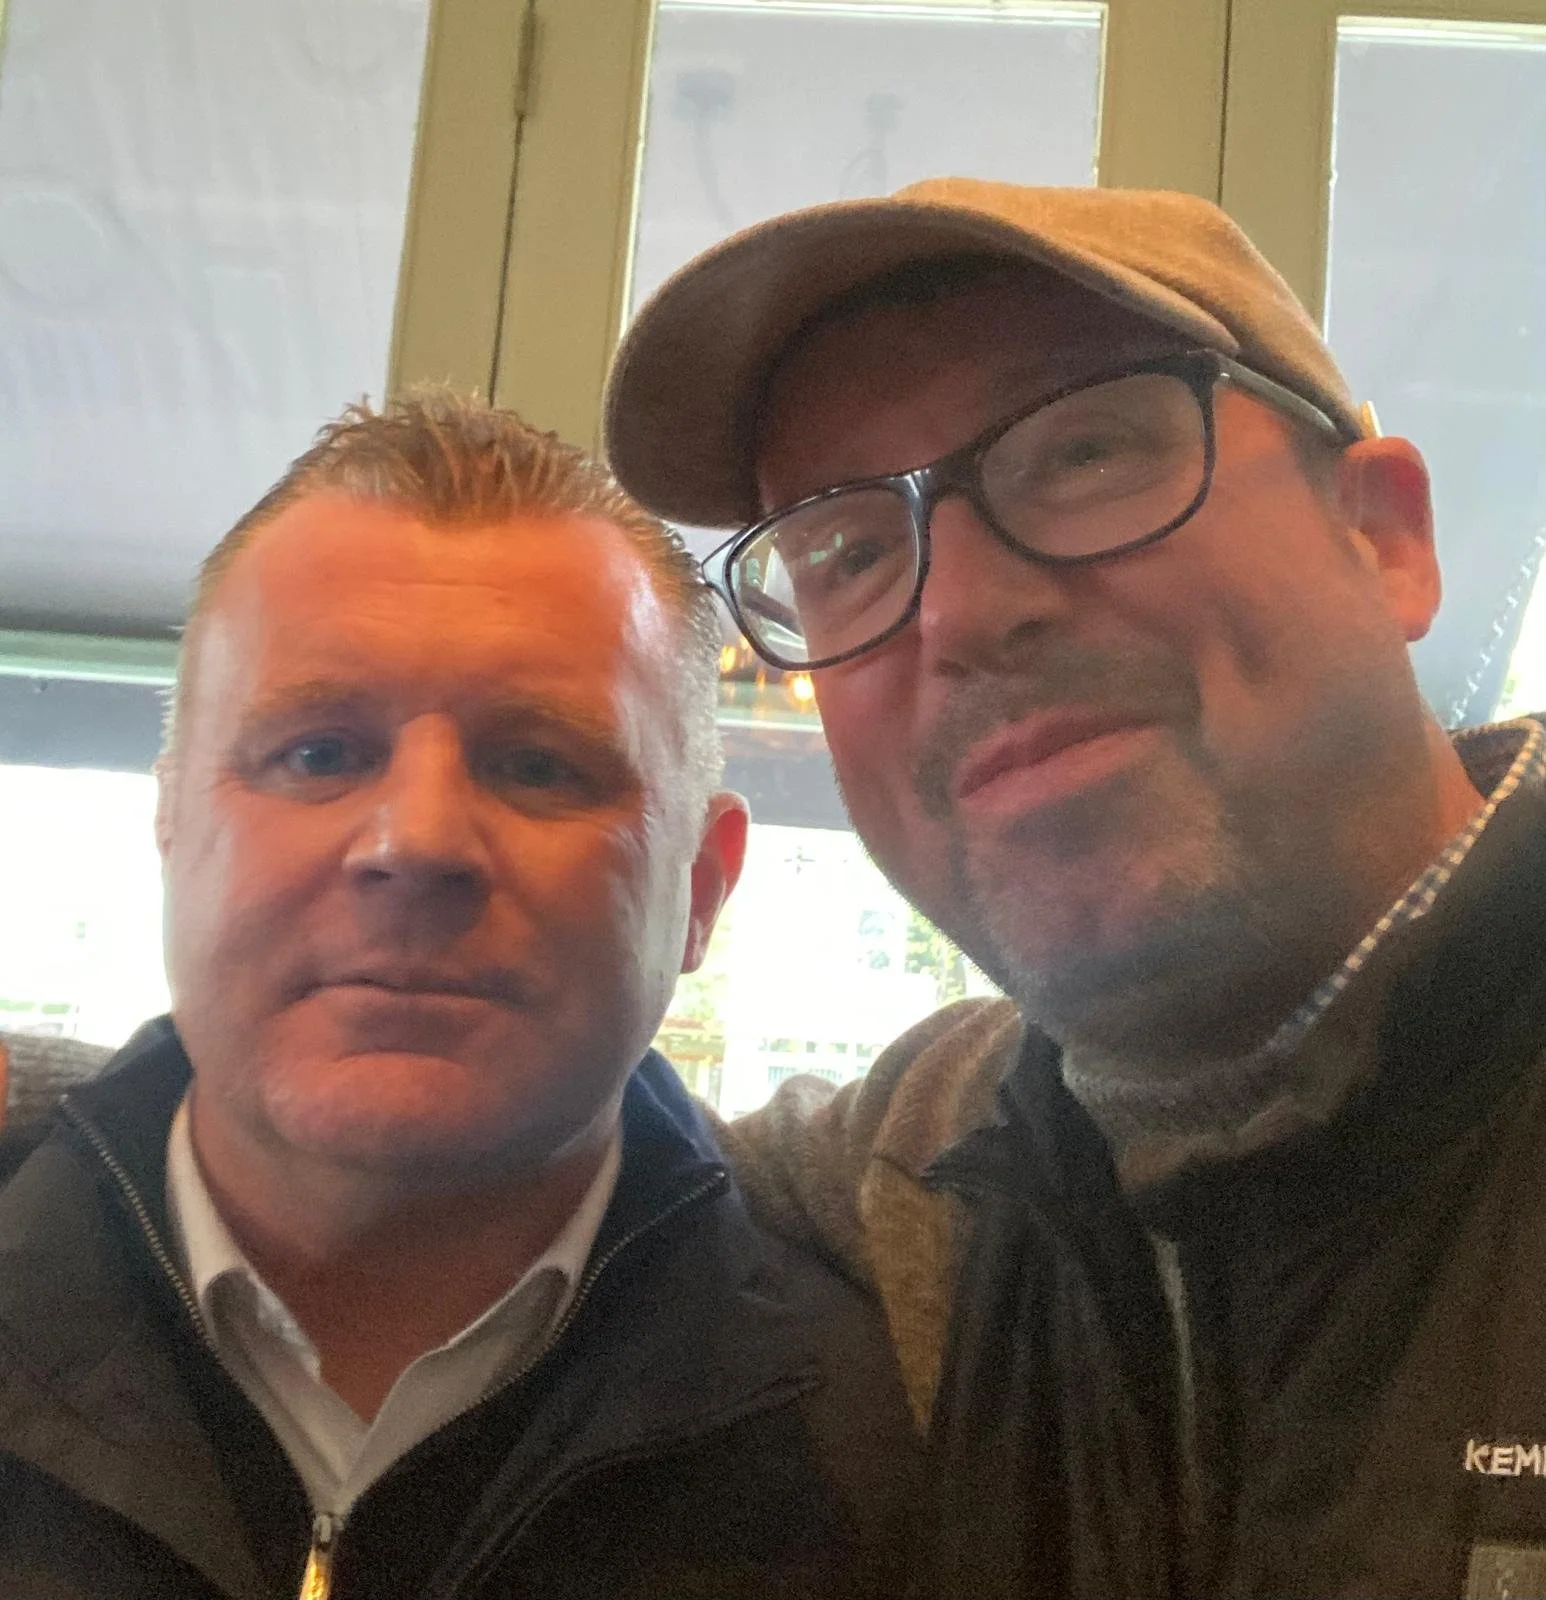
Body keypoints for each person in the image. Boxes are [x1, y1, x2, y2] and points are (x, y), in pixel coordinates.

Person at [604, 179, 1546, 1599]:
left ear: (1382, 537)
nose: (963, 612)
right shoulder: (923, 1166)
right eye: (847, 551)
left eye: (1086, 450)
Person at [0, 394, 919, 1598]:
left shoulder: (906, 1455)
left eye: (537, 764)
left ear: (700, 887)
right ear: (170, 826)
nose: (416, 840)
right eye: (319, 752)